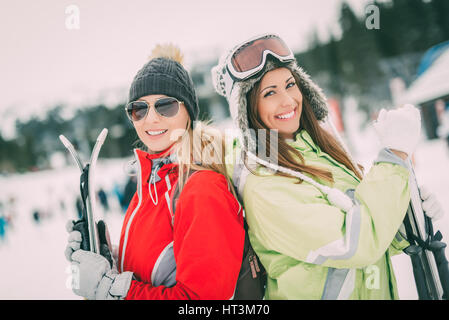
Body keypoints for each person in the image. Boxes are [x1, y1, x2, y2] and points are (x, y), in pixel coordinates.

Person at [211, 33, 444, 299]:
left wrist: (403, 216)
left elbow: (371, 228)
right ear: (247, 109)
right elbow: (355, 243)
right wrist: (393, 157)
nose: (287, 100)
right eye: (270, 92)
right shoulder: (264, 186)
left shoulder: (320, 154)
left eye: (290, 84)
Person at [65, 44, 245, 300]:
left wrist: (110, 289)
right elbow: (155, 270)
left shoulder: (202, 189)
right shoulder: (152, 186)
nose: (150, 119)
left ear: (189, 112)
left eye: (165, 106)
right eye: (139, 109)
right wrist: (108, 258)